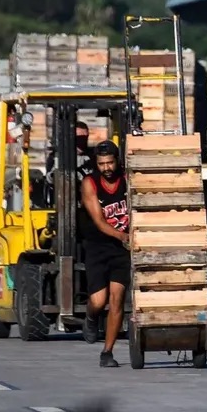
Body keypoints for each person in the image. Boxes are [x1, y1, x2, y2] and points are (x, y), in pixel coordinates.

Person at [79, 141, 131, 367]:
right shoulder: (90, 183)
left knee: (117, 299)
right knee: (99, 301)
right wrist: (123, 236)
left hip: (122, 251)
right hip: (99, 246)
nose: (107, 167)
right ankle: (90, 318)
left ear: (117, 161)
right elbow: (100, 222)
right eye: (102, 164)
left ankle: (107, 352)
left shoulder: (127, 179)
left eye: (110, 162)